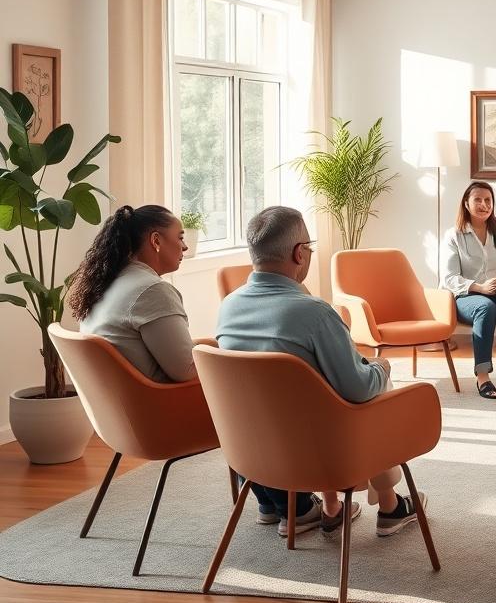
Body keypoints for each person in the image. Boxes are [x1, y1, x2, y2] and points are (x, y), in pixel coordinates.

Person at [216, 206, 427, 538]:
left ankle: (330, 508)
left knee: (320, 390)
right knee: (376, 380)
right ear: (300, 254)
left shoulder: (228, 307)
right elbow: (358, 389)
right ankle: (390, 506)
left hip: (250, 451)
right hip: (322, 455)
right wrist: (381, 366)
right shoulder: (314, 314)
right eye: (310, 248)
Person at [70, 205, 196, 383]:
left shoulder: (104, 283)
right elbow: (186, 371)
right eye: (180, 237)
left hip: (121, 405)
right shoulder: (153, 291)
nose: (185, 246)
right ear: (156, 241)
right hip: (165, 404)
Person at [443, 181, 496, 399]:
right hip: (466, 296)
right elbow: (449, 277)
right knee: (485, 307)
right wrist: (480, 287)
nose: (484, 204)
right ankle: (482, 375)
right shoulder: (454, 235)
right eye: (478, 200)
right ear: (466, 203)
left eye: (488, 200)